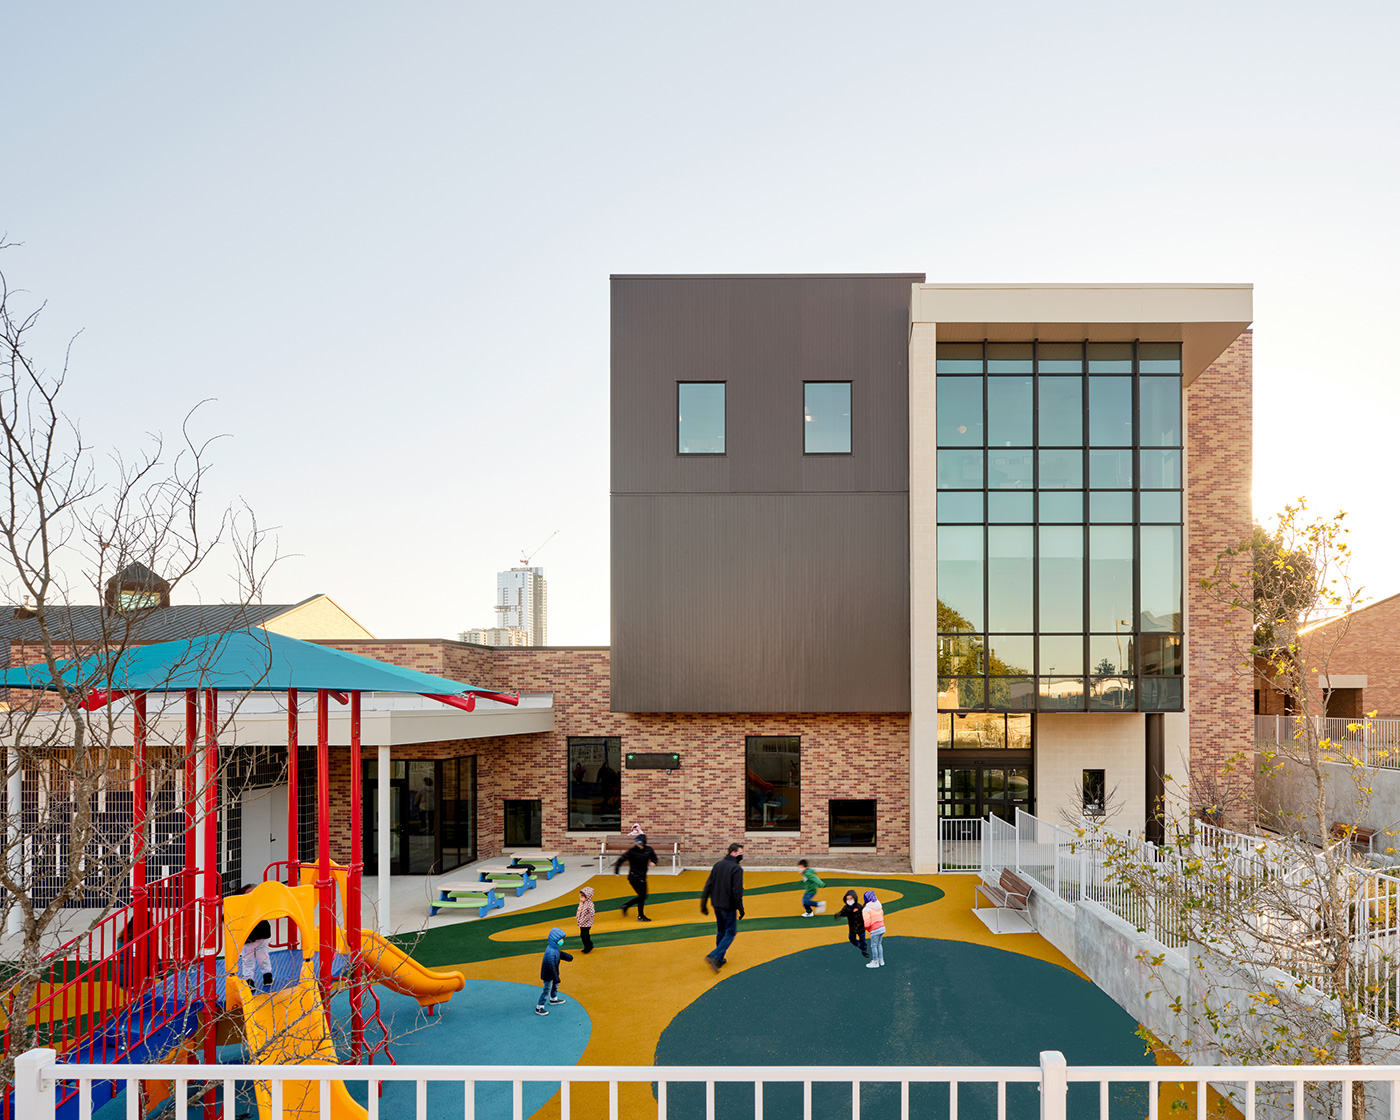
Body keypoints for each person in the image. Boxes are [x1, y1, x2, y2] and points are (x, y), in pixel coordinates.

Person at [700, 842, 745, 973]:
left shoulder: (717, 865)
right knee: (730, 933)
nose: (742, 856)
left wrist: (703, 904)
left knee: (721, 931)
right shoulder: (736, 869)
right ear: (734, 852)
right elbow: (737, 891)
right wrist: (740, 908)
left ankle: (719, 958)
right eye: (740, 853)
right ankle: (714, 955)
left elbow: (708, 885)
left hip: (717, 905)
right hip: (729, 906)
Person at [613, 832, 659, 921]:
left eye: (640, 843)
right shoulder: (632, 851)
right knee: (642, 896)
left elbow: (654, 857)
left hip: (642, 876)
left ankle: (626, 905)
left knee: (643, 896)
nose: (638, 845)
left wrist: (654, 862)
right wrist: (617, 871)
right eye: (637, 843)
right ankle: (640, 916)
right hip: (634, 877)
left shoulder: (648, 850)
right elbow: (620, 860)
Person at [239, 884, 274, 990]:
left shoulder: (261, 904)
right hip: (248, 938)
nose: (251, 896)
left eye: (254, 893)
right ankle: (249, 980)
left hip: (261, 937)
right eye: (248, 893)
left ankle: (267, 975)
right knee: (247, 960)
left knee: (263, 958)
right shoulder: (241, 906)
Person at [535, 926, 572, 1016]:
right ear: (555, 939)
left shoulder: (554, 948)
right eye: (561, 939)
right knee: (547, 989)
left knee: (554, 986)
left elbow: (559, 954)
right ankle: (539, 1007)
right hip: (548, 974)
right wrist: (556, 978)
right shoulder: (551, 952)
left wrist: (568, 957)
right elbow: (552, 966)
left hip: (553, 973)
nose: (562, 941)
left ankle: (553, 999)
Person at [832, 889, 869, 959]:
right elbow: (843, 912)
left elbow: (864, 913)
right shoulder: (846, 908)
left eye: (851, 898)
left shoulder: (859, 906)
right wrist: (838, 914)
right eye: (848, 899)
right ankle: (858, 945)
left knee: (863, 940)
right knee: (851, 938)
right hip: (852, 928)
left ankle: (864, 951)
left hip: (861, 927)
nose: (849, 900)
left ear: (855, 898)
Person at [862, 889, 886, 969]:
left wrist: (866, 928)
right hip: (882, 927)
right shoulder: (879, 906)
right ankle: (881, 960)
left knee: (873, 946)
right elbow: (882, 915)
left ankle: (875, 961)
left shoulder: (866, 909)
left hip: (874, 930)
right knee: (879, 944)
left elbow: (867, 922)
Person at [576, 886, 596, 953]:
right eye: (580, 896)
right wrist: (578, 917)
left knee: (584, 935)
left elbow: (592, 913)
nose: (581, 898)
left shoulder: (589, 904)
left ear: (587, 897)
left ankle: (588, 946)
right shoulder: (582, 903)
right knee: (583, 935)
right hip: (582, 922)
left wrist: (585, 918)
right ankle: (588, 945)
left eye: (582, 897)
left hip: (586, 923)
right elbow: (579, 910)